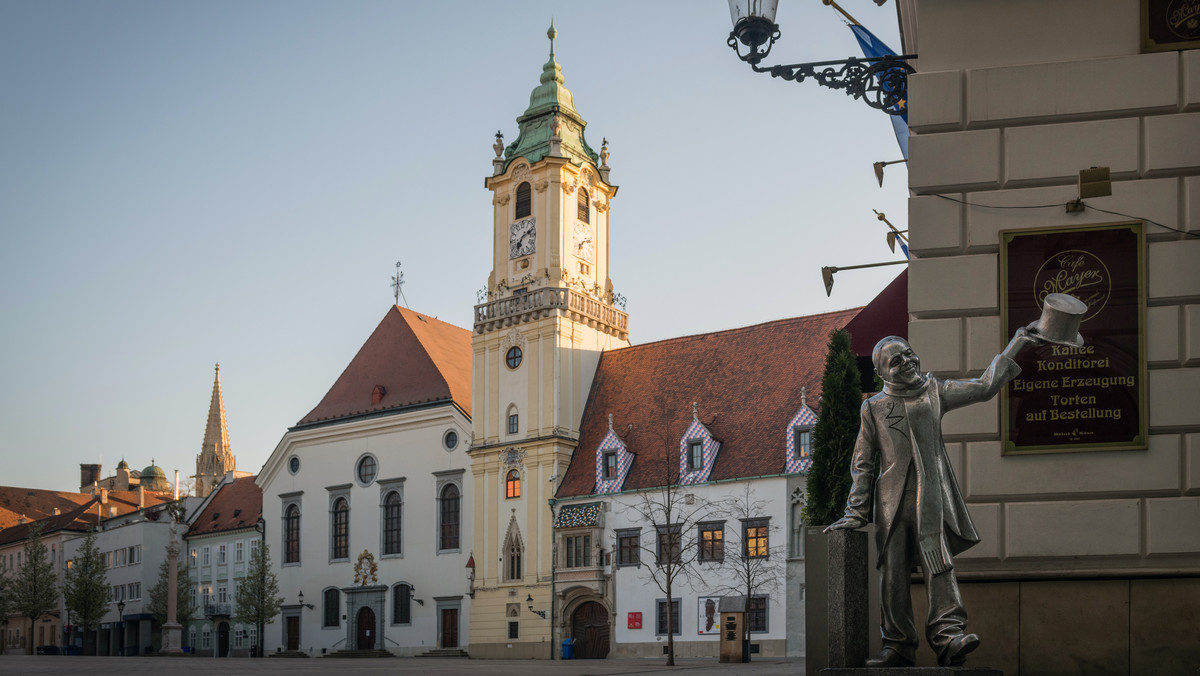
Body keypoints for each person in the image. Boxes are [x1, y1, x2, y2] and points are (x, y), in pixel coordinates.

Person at [825, 327, 1043, 667]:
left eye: (910, 354)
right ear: (881, 372)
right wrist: (855, 512)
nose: (908, 362)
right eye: (897, 361)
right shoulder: (873, 408)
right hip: (890, 504)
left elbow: (985, 387)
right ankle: (897, 646)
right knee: (892, 574)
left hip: (931, 498)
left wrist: (1016, 343)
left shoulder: (935, 391)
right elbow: (863, 464)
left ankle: (948, 636)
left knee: (939, 565)